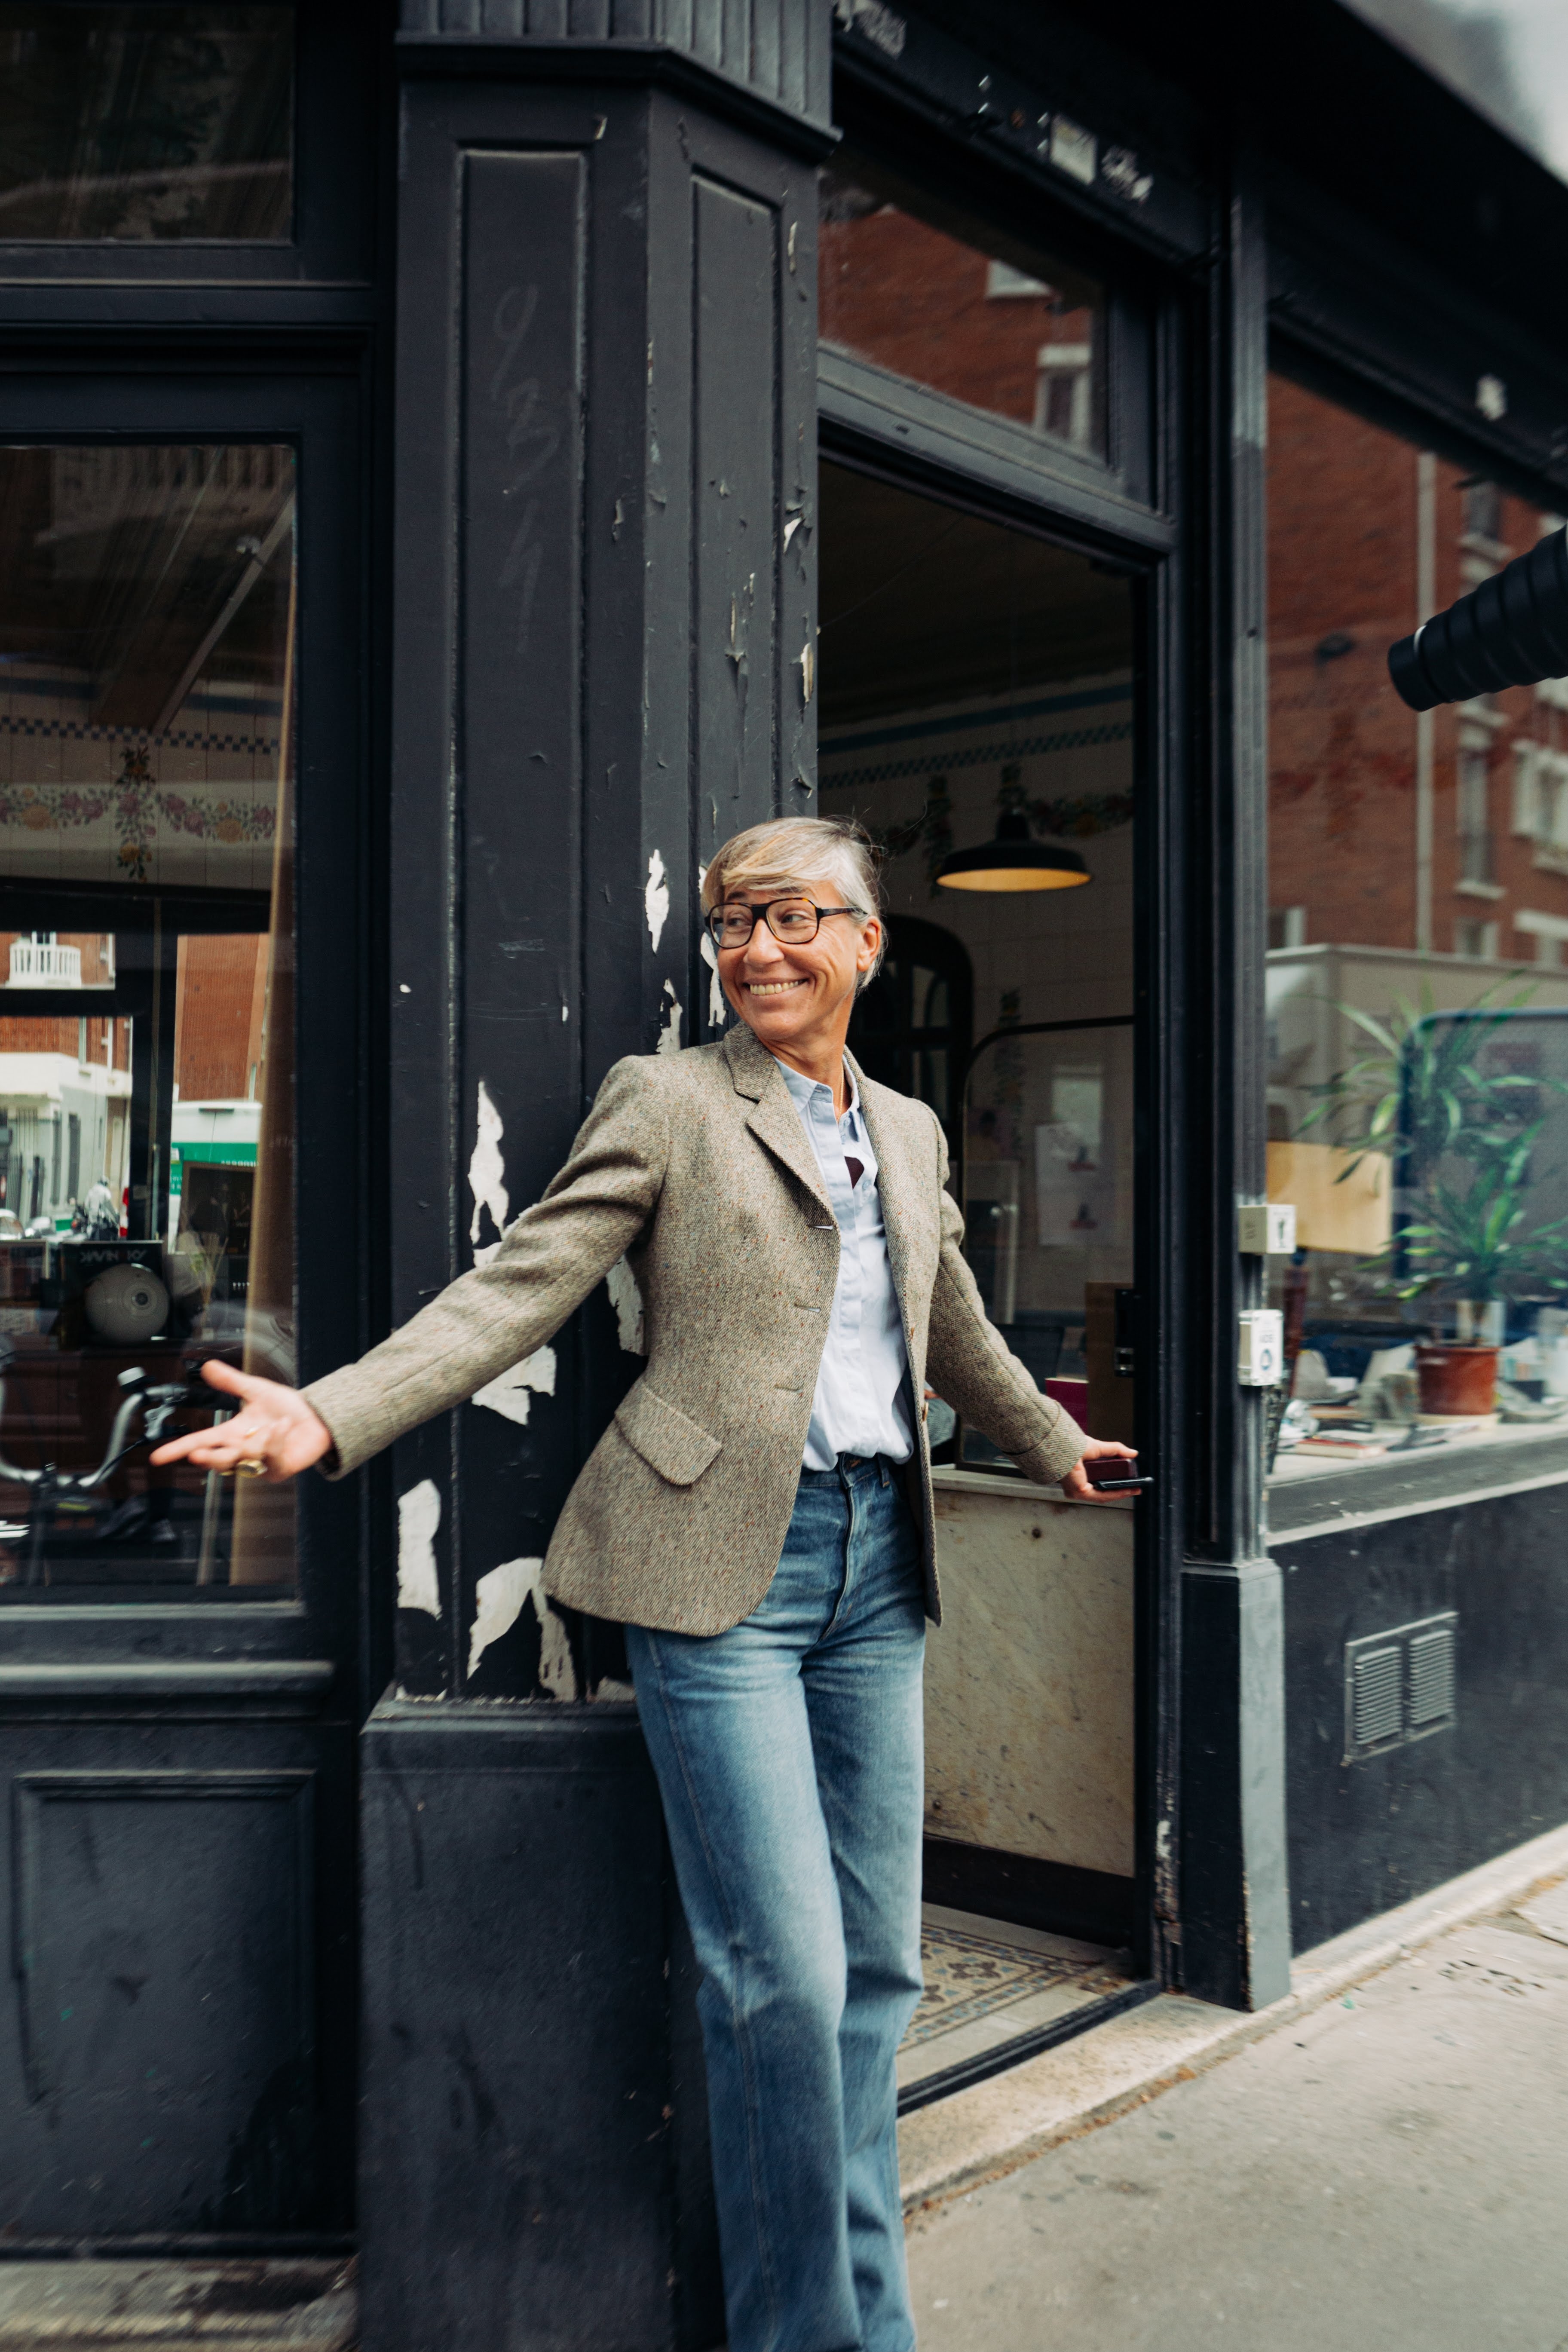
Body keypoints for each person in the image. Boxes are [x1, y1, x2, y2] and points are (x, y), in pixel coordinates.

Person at [152, 816, 1136, 2352]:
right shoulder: (673, 1102)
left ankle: (867, 2326)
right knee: (786, 1982)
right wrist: (329, 1412)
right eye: (736, 921)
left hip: (882, 1563)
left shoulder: (916, 1128)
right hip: (714, 1573)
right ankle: (798, 2336)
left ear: (868, 943)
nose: (757, 948)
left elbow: (949, 1328)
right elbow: (521, 1283)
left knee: (879, 1967)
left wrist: (1057, 1443)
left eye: (796, 918)